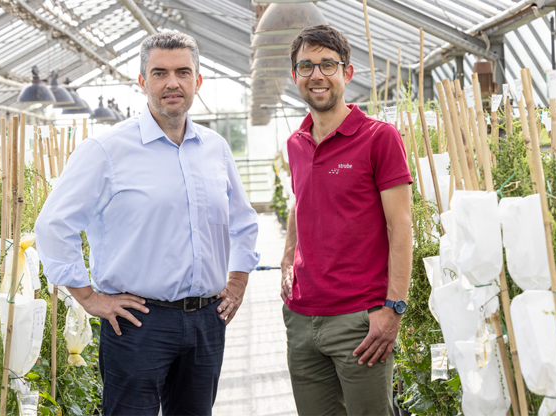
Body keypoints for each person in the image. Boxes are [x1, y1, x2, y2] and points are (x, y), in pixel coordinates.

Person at [35, 31, 260, 416]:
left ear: (197, 82)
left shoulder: (215, 149)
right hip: (139, 324)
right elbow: (53, 225)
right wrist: (89, 298)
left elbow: (243, 222)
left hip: (207, 321)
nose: (172, 82)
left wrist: (237, 283)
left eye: (183, 72)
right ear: (142, 82)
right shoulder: (106, 151)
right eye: (159, 73)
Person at [280, 25, 413, 416]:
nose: (316, 75)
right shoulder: (296, 142)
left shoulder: (379, 137)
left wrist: (393, 308)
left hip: (361, 318)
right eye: (306, 66)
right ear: (295, 76)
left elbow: (400, 226)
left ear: (347, 74)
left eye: (327, 65)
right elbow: (300, 201)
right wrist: (288, 257)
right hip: (302, 318)